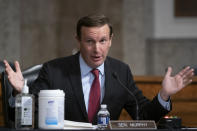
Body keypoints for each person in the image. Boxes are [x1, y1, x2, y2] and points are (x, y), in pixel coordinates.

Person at [4, 14, 194, 125]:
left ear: (111, 40)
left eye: (103, 41)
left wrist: (164, 95)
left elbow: (142, 115)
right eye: (89, 41)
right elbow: (22, 118)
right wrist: (21, 93)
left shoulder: (121, 71)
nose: (97, 49)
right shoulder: (53, 70)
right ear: (78, 40)